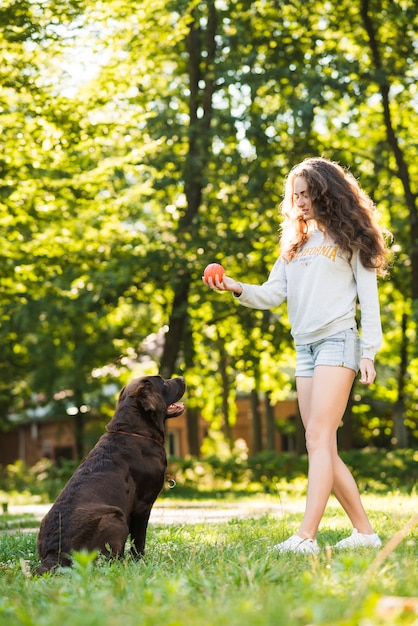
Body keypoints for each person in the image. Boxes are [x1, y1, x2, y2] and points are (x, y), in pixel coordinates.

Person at [203, 157, 390, 554]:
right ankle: (365, 533)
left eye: (307, 194)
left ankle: (306, 536)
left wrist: (368, 353)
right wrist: (235, 286)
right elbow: (272, 293)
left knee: (319, 437)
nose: (301, 202)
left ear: (326, 193)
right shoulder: (295, 244)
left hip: (339, 341)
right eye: (296, 195)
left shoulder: (351, 238)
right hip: (304, 347)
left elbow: (369, 302)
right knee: (320, 443)